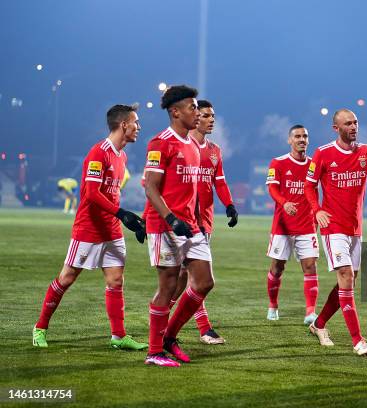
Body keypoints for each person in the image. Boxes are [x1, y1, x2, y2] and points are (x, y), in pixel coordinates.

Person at [33, 104, 147, 351]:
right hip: (89, 229)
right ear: (123, 124)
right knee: (66, 278)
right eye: (135, 122)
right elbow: (92, 194)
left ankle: (118, 336)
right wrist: (121, 213)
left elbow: (111, 194)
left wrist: (130, 220)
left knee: (116, 281)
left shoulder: (122, 155)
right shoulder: (99, 152)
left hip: (112, 230)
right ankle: (40, 327)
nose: (139, 127)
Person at [304, 109, 367, 356]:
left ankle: (319, 324)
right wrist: (317, 210)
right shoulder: (323, 153)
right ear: (336, 128)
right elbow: (309, 186)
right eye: (348, 123)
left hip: (355, 228)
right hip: (333, 227)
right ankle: (358, 340)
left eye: (355, 122)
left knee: (348, 280)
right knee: (345, 276)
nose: (353, 126)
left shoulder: (366, 152)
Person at [142, 85, 217, 367]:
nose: (197, 113)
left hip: (191, 227)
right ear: (175, 112)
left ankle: (169, 337)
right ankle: (154, 352)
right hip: (164, 226)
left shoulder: (194, 146)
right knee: (168, 286)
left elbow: (192, 192)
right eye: (192, 108)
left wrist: (194, 221)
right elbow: (150, 187)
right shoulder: (161, 143)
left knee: (205, 282)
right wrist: (171, 218)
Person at [168, 99, 238, 345]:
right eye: (207, 115)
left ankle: (166, 319)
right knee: (190, 278)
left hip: (203, 222)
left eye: (213, 116)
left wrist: (229, 204)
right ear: (196, 117)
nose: (212, 120)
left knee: (188, 278)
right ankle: (201, 328)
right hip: (180, 222)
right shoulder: (181, 147)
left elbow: (219, 181)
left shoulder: (214, 150)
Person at [265, 124, 319, 324]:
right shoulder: (278, 163)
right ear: (290, 140)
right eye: (297, 136)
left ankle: (310, 312)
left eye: (305, 136)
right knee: (278, 268)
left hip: (307, 225)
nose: (302, 139)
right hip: (283, 226)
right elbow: (272, 189)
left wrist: (317, 215)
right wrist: (284, 203)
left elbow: (316, 192)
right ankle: (273, 305)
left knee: (310, 266)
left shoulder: (314, 165)